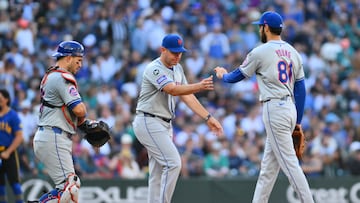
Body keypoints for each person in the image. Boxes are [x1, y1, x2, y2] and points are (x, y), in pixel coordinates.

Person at [214, 11, 314, 203]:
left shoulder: (260, 51)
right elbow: (301, 89)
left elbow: (237, 76)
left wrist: (223, 75)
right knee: (268, 169)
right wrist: (298, 122)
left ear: (265, 27)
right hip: (290, 108)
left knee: (290, 165)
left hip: (275, 108)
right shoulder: (293, 52)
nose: (259, 29)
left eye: (260, 26)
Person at [132, 33, 223, 203]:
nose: (177, 55)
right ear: (163, 50)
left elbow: (187, 96)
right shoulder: (154, 68)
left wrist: (208, 117)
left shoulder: (178, 68)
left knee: (158, 171)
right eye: (174, 52)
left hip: (164, 123)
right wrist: (199, 86)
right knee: (174, 163)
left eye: (180, 52)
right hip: (149, 120)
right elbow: (172, 89)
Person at [31, 41, 88, 203]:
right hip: (54, 135)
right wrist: (84, 122)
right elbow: (79, 110)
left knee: (67, 188)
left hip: (51, 135)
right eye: (78, 60)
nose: (80, 64)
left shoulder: (52, 74)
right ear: (68, 58)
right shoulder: (61, 77)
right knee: (71, 186)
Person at [0, 89, 24, 203]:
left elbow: (19, 137)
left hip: (9, 153)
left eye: (0, 99)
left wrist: (8, 152)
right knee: (0, 187)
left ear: (7, 99)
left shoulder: (12, 115)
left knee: (15, 184)